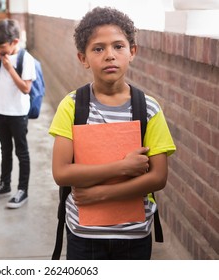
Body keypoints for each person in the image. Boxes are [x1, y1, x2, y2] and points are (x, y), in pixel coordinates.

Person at [48, 7, 176, 259]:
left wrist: (100, 193)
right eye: (98, 48)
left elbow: (158, 177)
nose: (110, 55)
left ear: (132, 52)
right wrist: (123, 167)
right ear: (82, 58)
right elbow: (61, 173)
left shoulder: (148, 109)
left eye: (118, 46)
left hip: (134, 235)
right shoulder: (72, 106)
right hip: (84, 234)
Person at [0, 19, 36, 209]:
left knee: (21, 152)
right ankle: (4, 185)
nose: (0, 51)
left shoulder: (25, 59)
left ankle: (23, 190)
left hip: (18, 114)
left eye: (3, 47)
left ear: (15, 41)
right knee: (5, 150)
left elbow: (26, 89)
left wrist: (9, 69)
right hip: (0, 111)